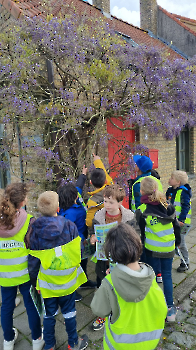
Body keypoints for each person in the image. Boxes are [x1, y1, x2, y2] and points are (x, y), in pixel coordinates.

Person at [91, 222, 167, 349]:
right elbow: (162, 307)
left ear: (112, 254)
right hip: (149, 344)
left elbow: (99, 309)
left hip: (119, 345)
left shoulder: (109, 283)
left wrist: (110, 279)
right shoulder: (150, 276)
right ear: (138, 245)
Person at [28, 191, 88, 350]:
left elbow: (33, 262)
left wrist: (36, 283)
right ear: (59, 207)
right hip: (68, 280)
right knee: (69, 312)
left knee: (48, 314)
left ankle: (49, 345)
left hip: (47, 283)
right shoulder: (70, 226)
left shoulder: (33, 230)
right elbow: (79, 251)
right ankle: (73, 343)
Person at [0, 183, 44, 350]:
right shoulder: (29, 220)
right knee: (31, 304)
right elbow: (34, 247)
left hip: (4, 274)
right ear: (22, 201)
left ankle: (8, 341)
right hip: (25, 273)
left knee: (7, 307)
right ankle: (37, 339)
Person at [90, 184, 135, 330]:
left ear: (120, 203)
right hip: (103, 261)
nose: (107, 205)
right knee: (103, 287)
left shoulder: (129, 217)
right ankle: (103, 314)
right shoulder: (98, 216)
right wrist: (92, 239)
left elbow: (136, 238)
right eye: (105, 201)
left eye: (111, 202)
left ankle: (121, 312)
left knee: (120, 288)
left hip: (122, 261)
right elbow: (92, 233)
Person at [135, 177, 181, 322]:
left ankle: (154, 305)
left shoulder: (141, 210)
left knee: (153, 278)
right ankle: (170, 309)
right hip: (168, 247)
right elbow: (176, 226)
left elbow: (140, 233)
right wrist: (177, 242)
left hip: (152, 250)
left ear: (142, 191)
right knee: (167, 276)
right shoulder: (168, 205)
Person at [58, 166, 96, 302]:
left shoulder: (75, 200)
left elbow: (78, 186)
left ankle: (83, 281)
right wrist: (82, 238)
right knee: (74, 265)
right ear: (73, 198)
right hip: (75, 242)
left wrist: (83, 174)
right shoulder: (68, 214)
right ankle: (71, 291)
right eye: (76, 194)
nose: (78, 194)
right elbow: (68, 232)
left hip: (83, 240)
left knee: (83, 261)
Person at [166, 170, 192, 272]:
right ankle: (172, 260)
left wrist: (181, 220)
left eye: (172, 178)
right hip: (173, 221)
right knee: (174, 241)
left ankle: (185, 263)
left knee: (180, 243)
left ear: (178, 182)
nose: (169, 179)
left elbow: (186, 207)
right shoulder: (170, 190)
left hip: (181, 223)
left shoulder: (184, 192)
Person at [86, 154, 113, 228]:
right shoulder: (111, 188)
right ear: (106, 181)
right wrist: (97, 161)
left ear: (91, 182)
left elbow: (89, 223)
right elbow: (104, 172)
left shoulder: (92, 201)